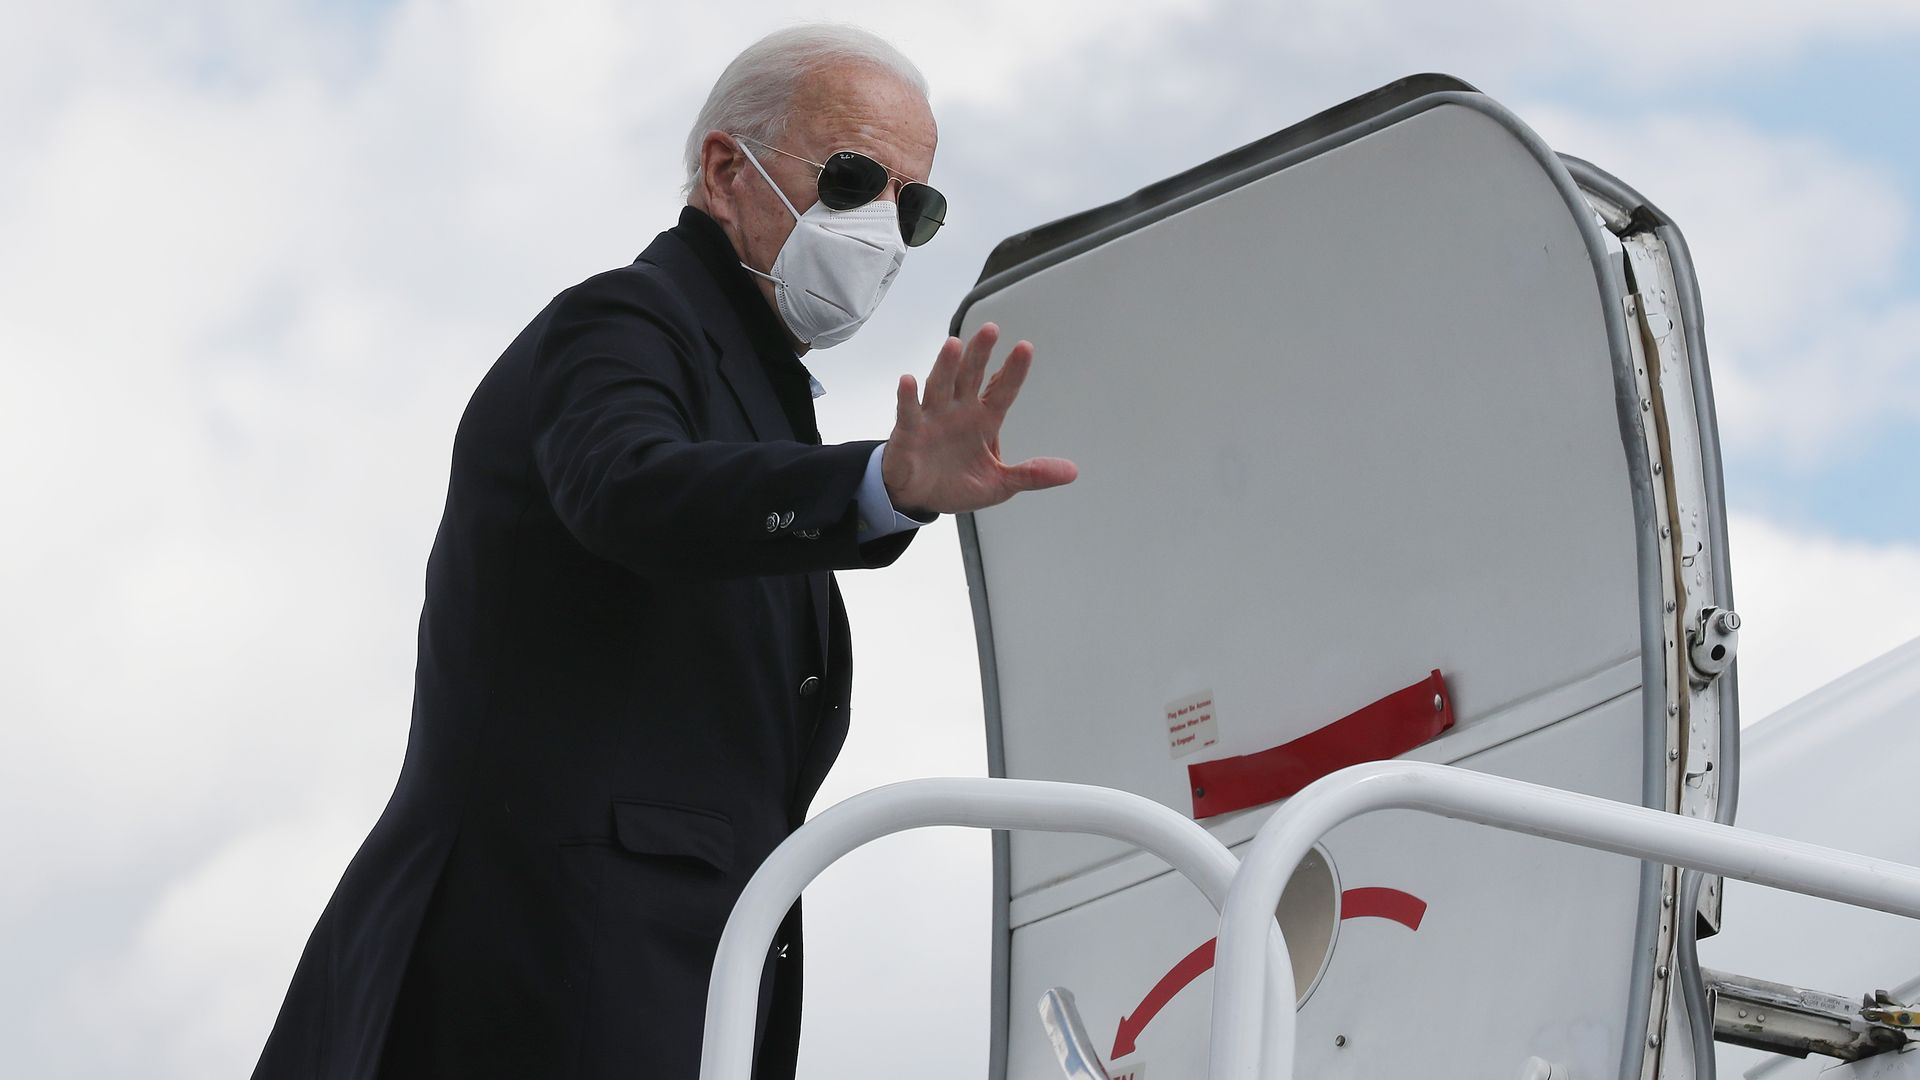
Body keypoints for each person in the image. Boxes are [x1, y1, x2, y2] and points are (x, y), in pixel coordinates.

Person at [249, 23, 1076, 1080]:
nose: (880, 229)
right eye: (851, 179)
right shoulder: (625, 321)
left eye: (911, 208)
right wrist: (880, 487)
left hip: (661, 990)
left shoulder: (759, 395)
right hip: (536, 975)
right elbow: (626, 488)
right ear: (727, 172)